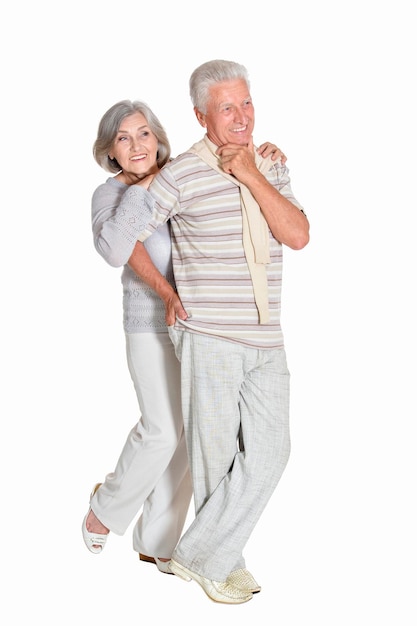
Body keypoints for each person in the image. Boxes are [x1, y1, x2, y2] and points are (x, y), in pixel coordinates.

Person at [123, 59, 310, 603]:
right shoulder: (179, 173)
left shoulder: (271, 165)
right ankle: (221, 564)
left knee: (272, 451)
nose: (241, 117)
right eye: (227, 107)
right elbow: (128, 237)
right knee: (215, 457)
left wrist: (250, 172)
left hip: (266, 336)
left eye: (246, 103)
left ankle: (202, 555)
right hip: (209, 335)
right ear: (202, 116)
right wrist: (165, 292)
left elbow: (297, 234)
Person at [82, 98, 285, 575]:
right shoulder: (108, 194)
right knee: (162, 429)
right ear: (111, 151)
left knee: (192, 434)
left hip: (201, 325)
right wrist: (150, 189)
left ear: (159, 137)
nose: (137, 145)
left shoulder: (187, 170)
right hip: (150, 322)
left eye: (144, 134)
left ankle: (158, 539)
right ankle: (105, 509)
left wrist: (264, 158)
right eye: (124, 139)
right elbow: (117, 249)